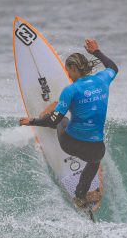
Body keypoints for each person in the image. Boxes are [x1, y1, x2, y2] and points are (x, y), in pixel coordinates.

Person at [19, 38, 118, 207]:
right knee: (94, 161)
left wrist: (32, 121)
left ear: (73, 68)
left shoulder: (71, 90)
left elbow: (53, 121)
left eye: (68, 71)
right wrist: (96, 52)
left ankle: (50, 109)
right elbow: (113, 68)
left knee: (61, 117)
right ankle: (80, 195)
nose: (68, 75)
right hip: (96, 148)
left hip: (71, 144)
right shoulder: (103, 80)